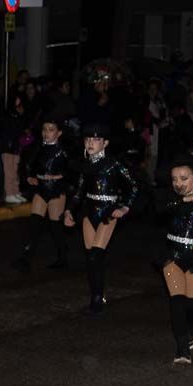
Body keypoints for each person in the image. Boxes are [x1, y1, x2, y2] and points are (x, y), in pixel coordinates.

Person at [64, 124, 137, 316]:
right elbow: (79, 191)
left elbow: (134, 186)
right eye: (87, 139)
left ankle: (96, 300)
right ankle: (98, 294)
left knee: (96, 255)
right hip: (89, 212)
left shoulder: (114, 164)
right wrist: (69, 211)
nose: (90, 143)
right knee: (91, 258)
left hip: (108, 212)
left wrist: (124, 207)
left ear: (105, 143)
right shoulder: (84, 164)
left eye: (96, 140)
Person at [155, 157, 193, 365]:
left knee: (191, 305)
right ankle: (182, 350)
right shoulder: (170, 200)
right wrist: (181, 201)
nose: (178, 183)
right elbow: (158, 211)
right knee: (177, 302)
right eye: (174, 179)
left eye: (184, 178)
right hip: (172, 255)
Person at [13, 118, 71, 271]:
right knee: (34, 224)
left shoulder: (65, 151)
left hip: (56, 190)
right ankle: (26, 258)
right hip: (41, 188)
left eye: (51, 129)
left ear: (59, 133)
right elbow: (27, 165)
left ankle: (62, 258)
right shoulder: (37, 147)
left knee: (55, 226)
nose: (46, 133)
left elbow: (74, 171)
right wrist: (29, 177)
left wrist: (59, 177)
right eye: (44, 129)